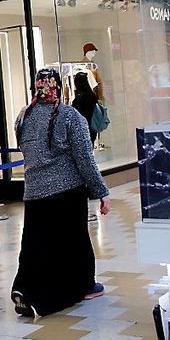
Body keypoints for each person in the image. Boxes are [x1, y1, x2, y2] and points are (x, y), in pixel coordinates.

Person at [11, 69, 110, 318]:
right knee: (73, 243)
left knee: (35, 244)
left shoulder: (24, 116)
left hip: (33, 192)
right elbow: (85, 159)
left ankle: (25, 288)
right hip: (66, 193)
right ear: (58, 87)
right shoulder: (69, 116)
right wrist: (101, 191)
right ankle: (76, 288)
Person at [71, 72, 100, 145]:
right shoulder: (92, 95)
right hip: (92, 127)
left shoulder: (78, 99)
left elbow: (73, 114)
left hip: (82, 129)